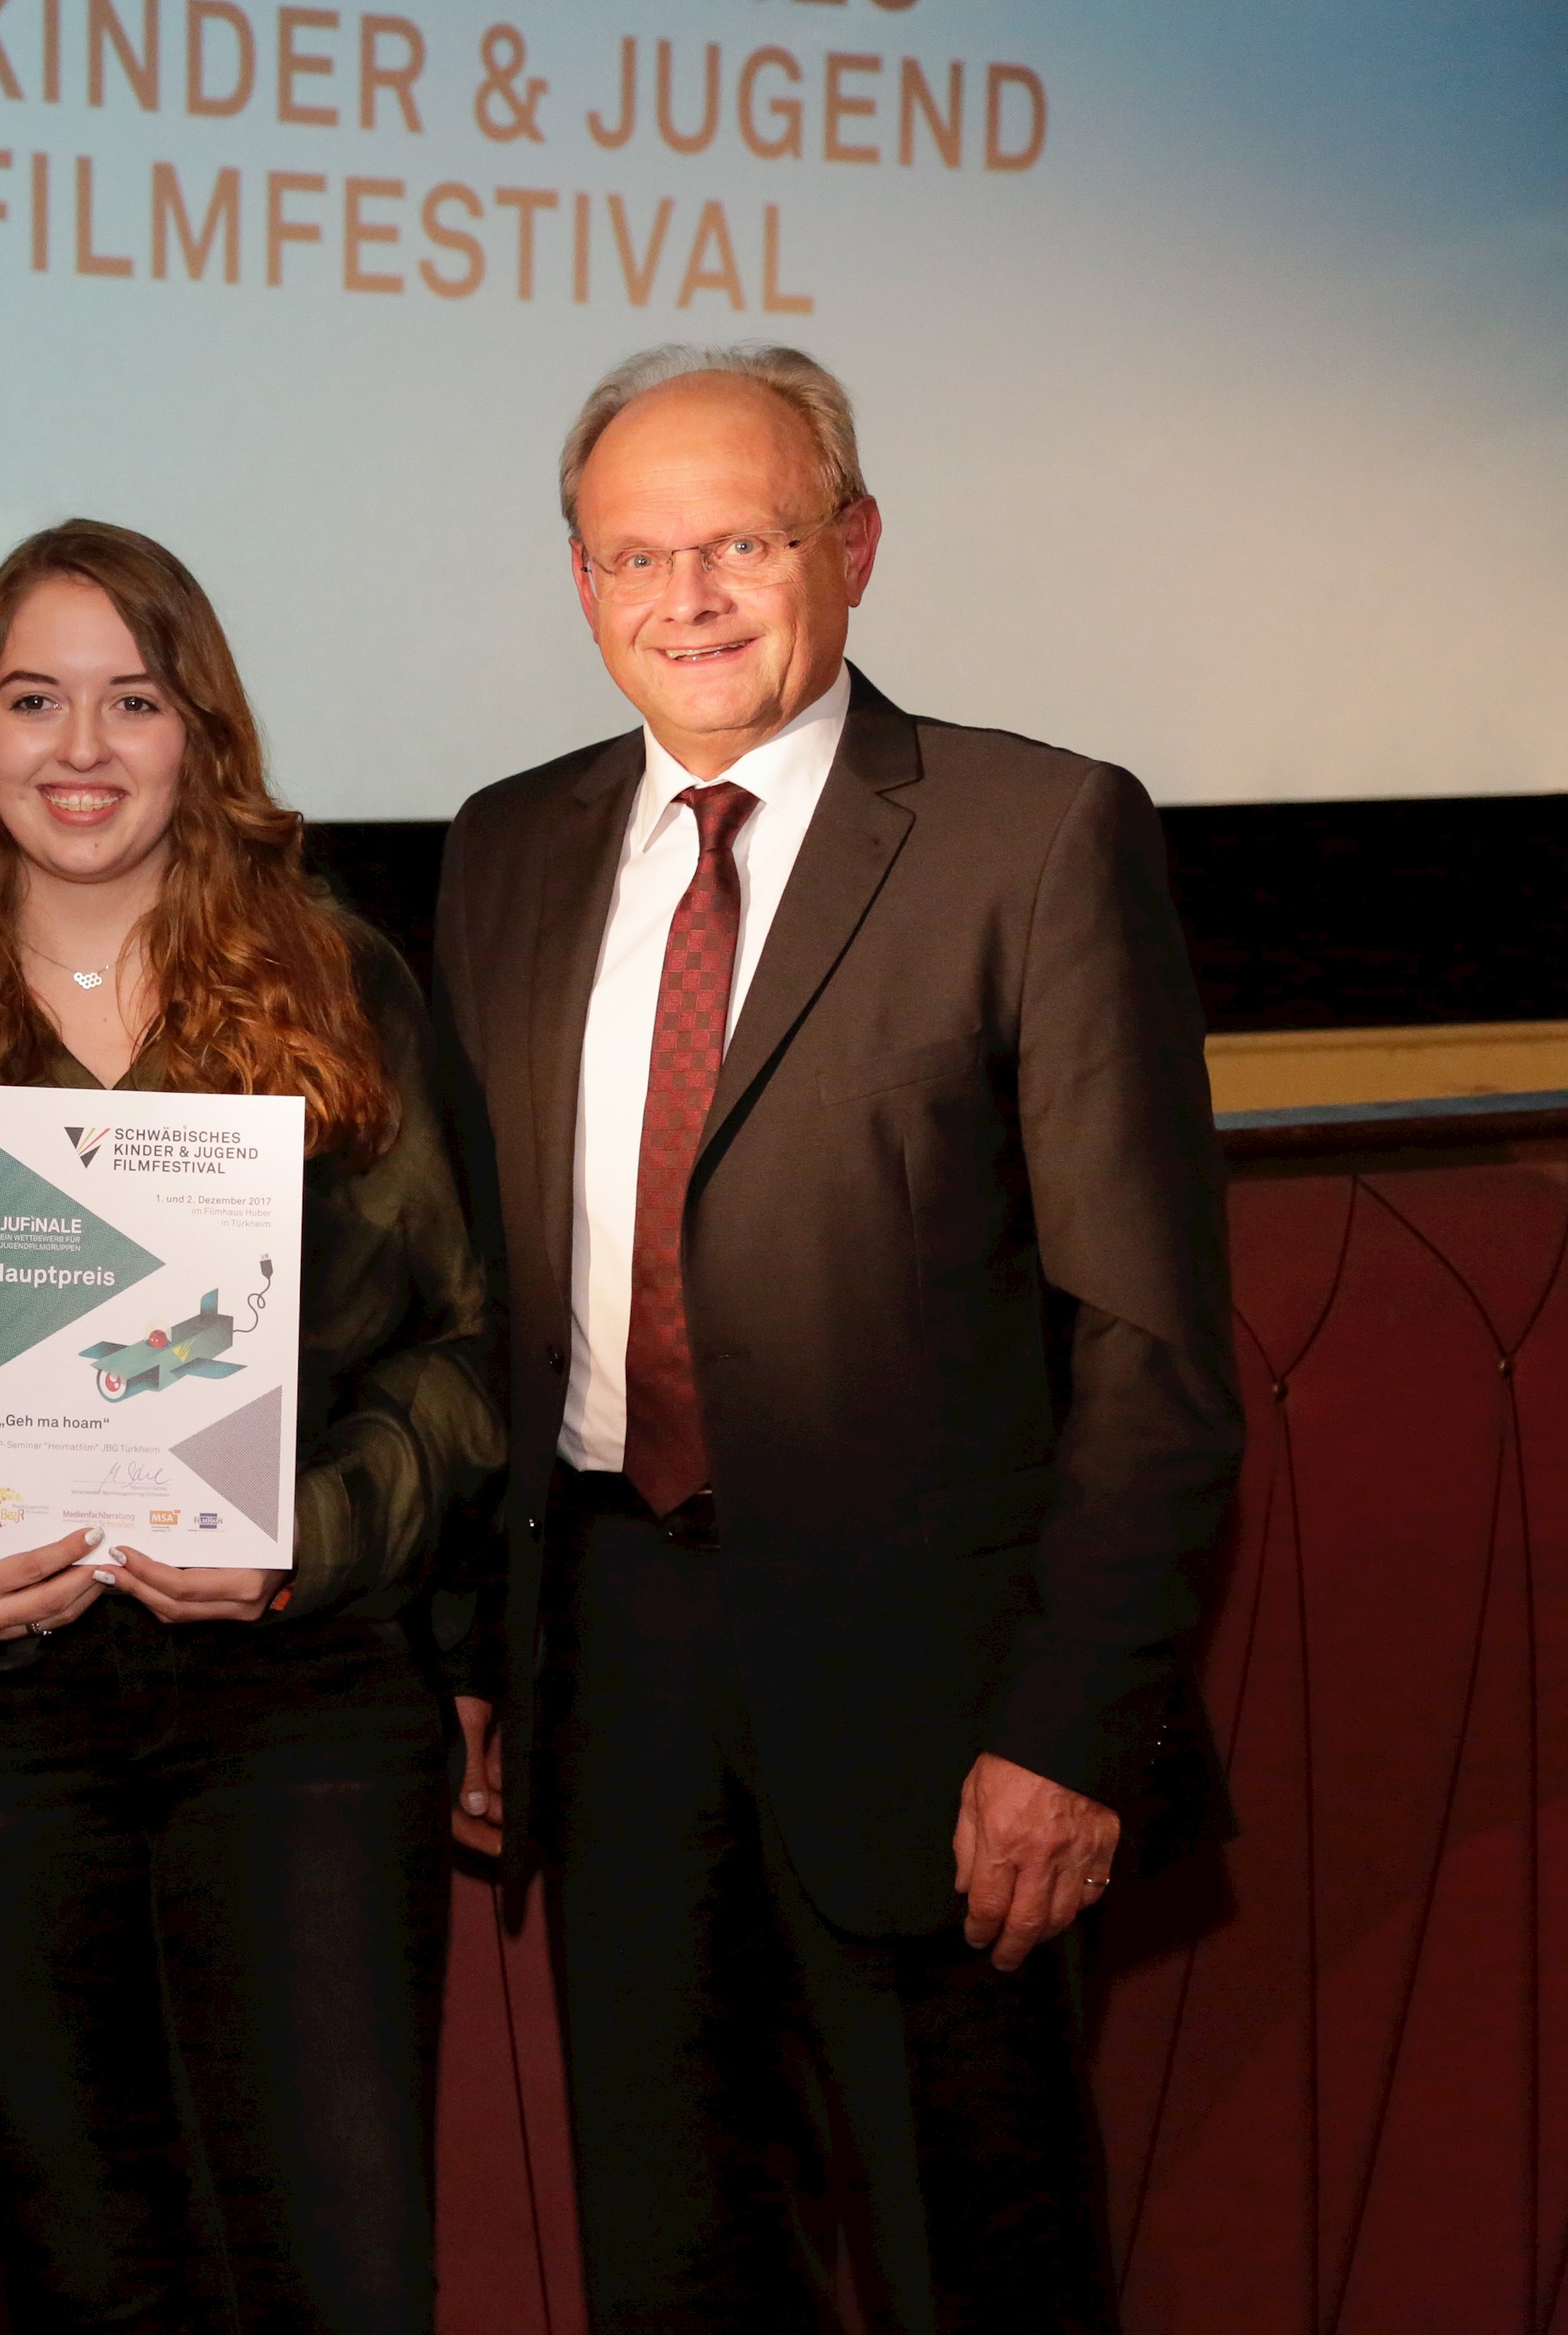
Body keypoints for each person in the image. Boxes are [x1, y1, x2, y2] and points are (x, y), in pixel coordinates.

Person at [427, 344, 1244, 2332]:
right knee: (674, 2264)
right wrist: (468, 1659)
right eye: (634, 555)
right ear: (579, 587)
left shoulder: (1030, 835)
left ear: (851, 548)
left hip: (936, 1713)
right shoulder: (505, 850)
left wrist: (1064, 1731)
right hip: (608, 1678)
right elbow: (475, 1303)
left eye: (739, 542)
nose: (686, 595)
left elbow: (1148, 1350)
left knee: (982, 2264)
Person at [0, 520, 503, 2333]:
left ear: (203, 733)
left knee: (340, 2271)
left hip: (303, 1715)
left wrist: (302, 1539)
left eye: (132, 697)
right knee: (81, 2273)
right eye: (34, 699)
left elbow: (456, 1354)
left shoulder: (346, 992)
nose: (80, 747)